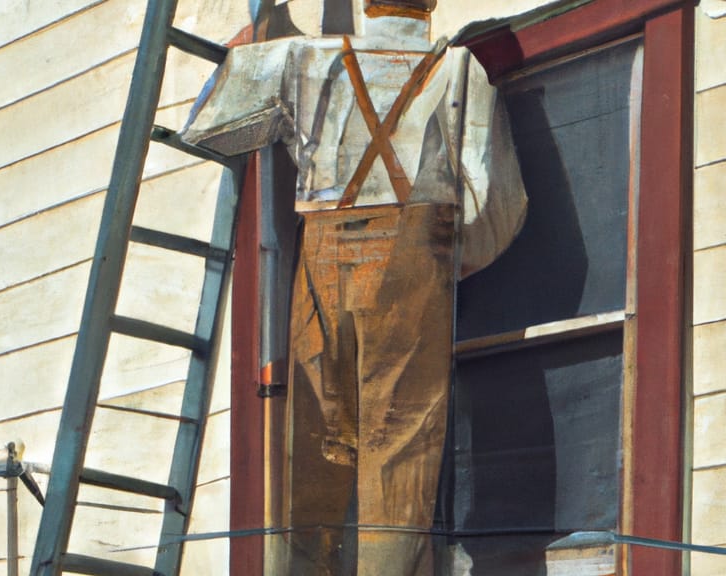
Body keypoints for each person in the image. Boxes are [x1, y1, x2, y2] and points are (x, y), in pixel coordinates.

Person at [182, 1, 526, 572]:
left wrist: (242, 54)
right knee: (401, 443)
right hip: (416, 257)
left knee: (313, 442)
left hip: (320, 253)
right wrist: (446, 264)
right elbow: (497, 205)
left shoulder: (302, 58)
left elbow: (208, 126)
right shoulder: (460, 69)